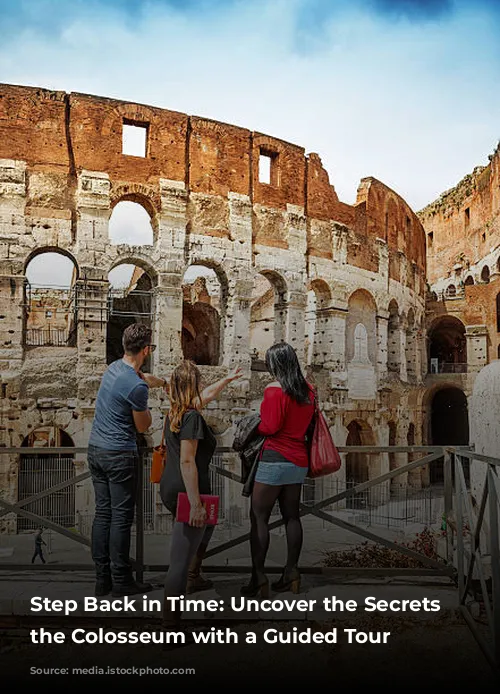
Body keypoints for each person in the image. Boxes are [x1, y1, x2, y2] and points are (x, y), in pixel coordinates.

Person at [160, 360, 243, 635]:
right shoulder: (193, 418)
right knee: (179, 562)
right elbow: (187, 461)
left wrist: (228, 380)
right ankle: (171, 627)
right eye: (200, 381)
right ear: (193, 385)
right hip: (187, 490)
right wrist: (196, 504)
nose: (204, 386)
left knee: (201, 536)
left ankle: (193, 579)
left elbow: (204, 398)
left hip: (172, 487)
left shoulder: (177, 410)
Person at [88, 322, 167, 597]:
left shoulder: (113, 369)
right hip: (119, 454)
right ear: (146, 349)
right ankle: (122, 580)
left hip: (95, 450)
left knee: (103, 514)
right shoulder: (136, 387)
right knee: (121, 518)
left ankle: (102, 579)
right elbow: (143, 426)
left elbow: (137, 380)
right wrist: (149, 405)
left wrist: (157, 382)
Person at [241, 342, 315, 598]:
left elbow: (270, 427)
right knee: (292, 517)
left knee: (259, 518)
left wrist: (254, 424)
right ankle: (291, 572)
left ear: (276, 365)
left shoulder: (275, 390)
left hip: (274, 458)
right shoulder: (308, 391)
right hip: (298, 460)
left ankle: (258, 578)